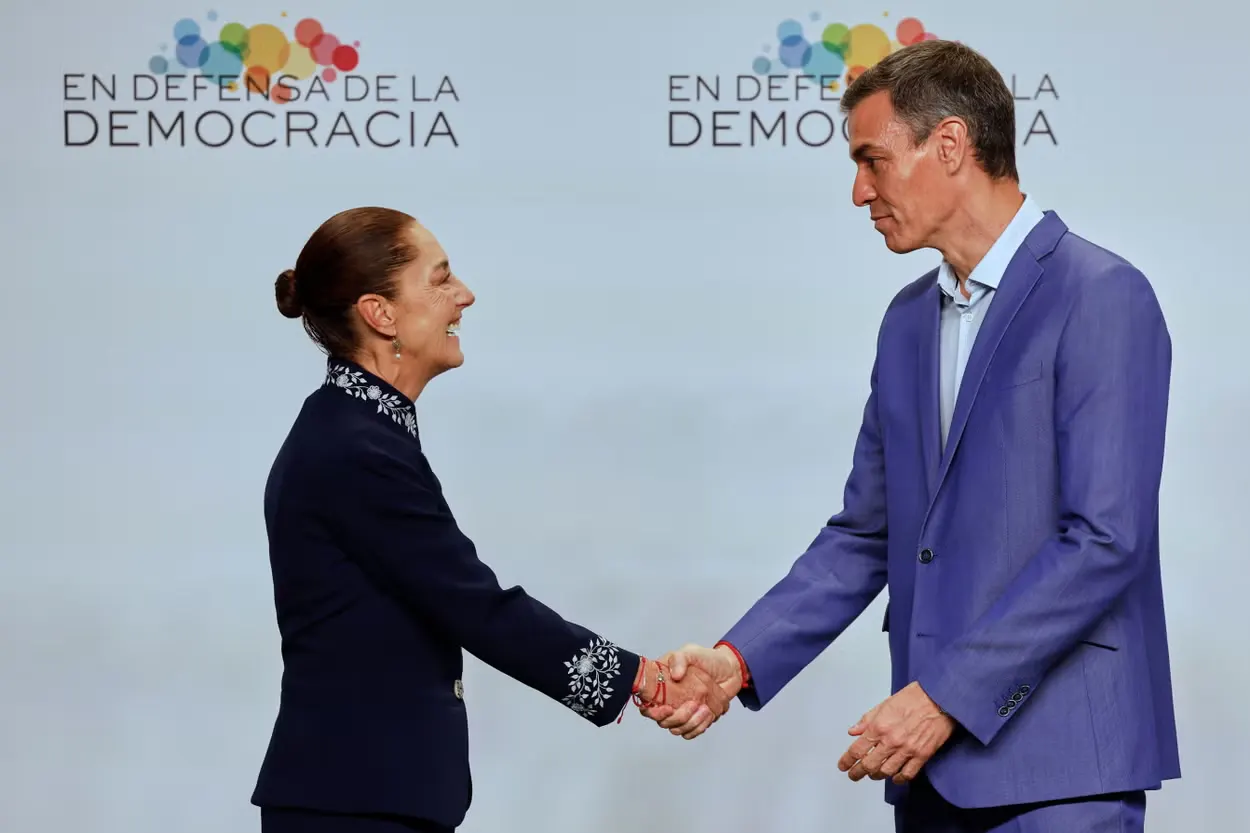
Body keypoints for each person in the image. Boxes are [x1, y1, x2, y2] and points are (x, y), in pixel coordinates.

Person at [645, 39, 1179, 833]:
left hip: (1063, 775)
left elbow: (1106, 539)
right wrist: (735, 661)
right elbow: (866, 533)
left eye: (873, 160)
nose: (859, 191)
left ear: (951, 144)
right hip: (929, 776)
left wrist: (944, 698)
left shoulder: (1102, 296)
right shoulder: (905, 323)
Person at [250, 206, 730, 833]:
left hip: (363, 795)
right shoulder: (355, 449)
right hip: (356, 804)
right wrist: (639, 678)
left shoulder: (354, 431)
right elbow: (475, 605)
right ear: (380, 313)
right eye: (440, 279)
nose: (465, 295)